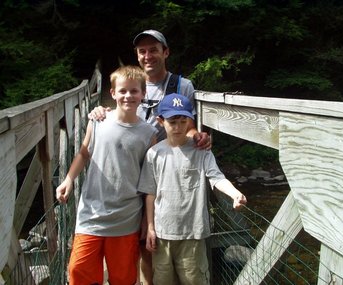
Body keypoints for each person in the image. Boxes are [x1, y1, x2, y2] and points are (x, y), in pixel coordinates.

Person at [89, 29, 211, 284]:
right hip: (129, 171)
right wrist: (100, 110)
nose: (148, 55)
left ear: (165, 52)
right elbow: (121, 111)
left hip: (163, 173)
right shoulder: (132, 85)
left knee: (151, 237)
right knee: (141, 238)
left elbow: (188, 125)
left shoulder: (182, 85)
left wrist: (198, 135)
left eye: (153, 49)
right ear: (137, 55)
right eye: (142, 51)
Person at [55, 65, 157, 285]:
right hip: (90, 214)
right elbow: (83, 153)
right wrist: (69, 179)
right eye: (122, 91)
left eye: (134, 91)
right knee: (78, 272)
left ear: (143, 94)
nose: (128, 95)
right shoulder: (97, 120)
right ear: (112, 93)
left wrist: (147, 222)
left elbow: (149, 178)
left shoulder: (149, 134)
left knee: (124, 277)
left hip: (126, 218)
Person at [138, 93, 247, 285]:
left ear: (190, 120)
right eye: (173, 122)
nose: (178, 127)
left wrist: (234, 193)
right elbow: (150, 194)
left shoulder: (202, 151)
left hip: (194, 235)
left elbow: (217, 177)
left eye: (183, 121)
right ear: (161, 121)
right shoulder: (154, 153)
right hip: (162, 235)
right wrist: (150, 229)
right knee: (162, 280)